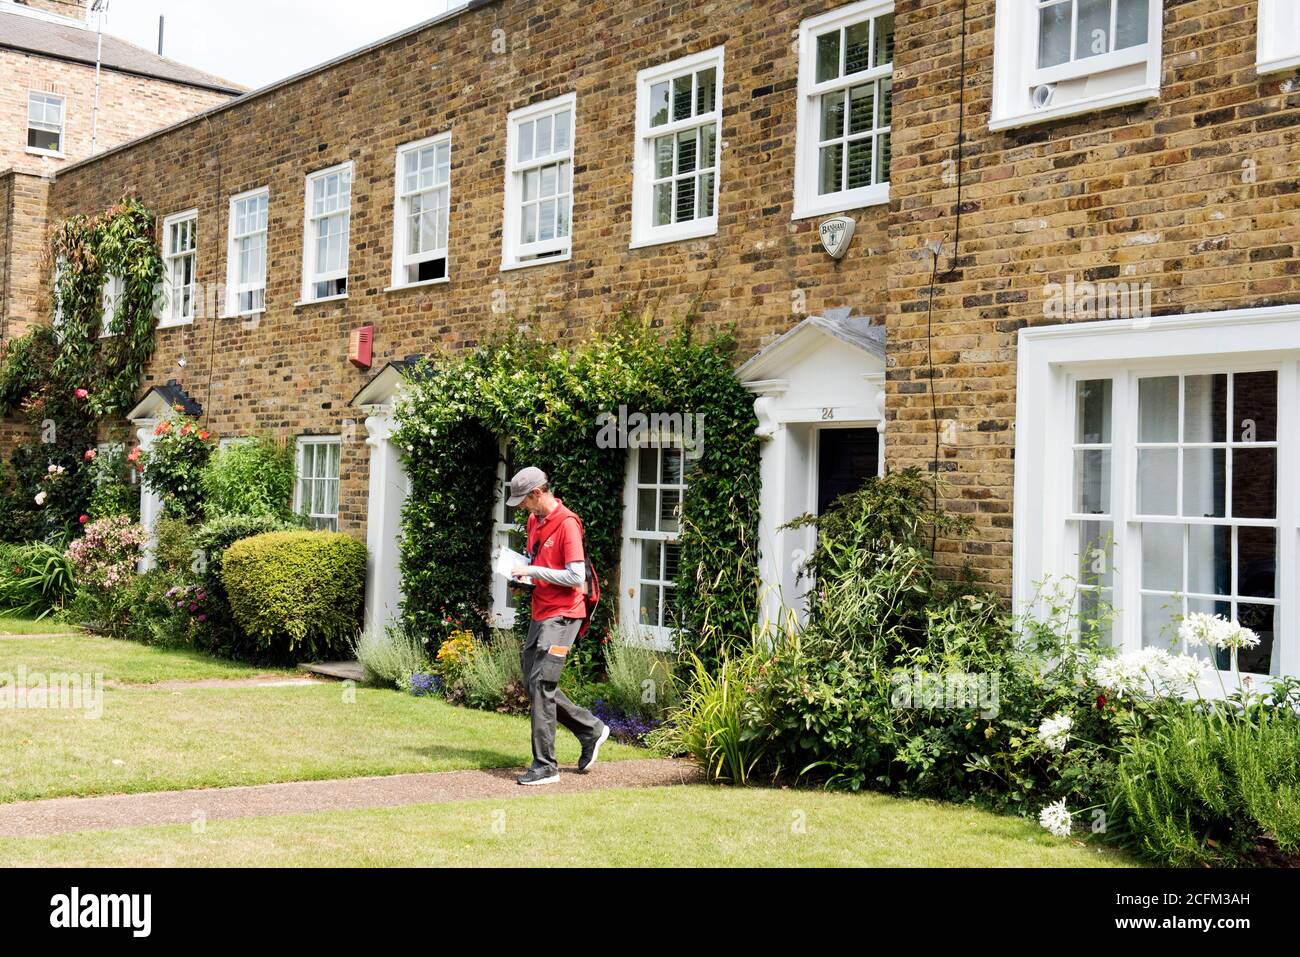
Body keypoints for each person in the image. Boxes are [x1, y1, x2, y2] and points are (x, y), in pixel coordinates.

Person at [506, 466, 609, 785]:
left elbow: (575, 576)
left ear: (538, 493)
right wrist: (522, 577)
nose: (522, 506)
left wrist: (534, 572)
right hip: (542, 610)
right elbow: (537, 565)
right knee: (532, 681)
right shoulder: (534, 521)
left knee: (542, 683)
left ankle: (545, 766)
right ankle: (590, 730)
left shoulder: (567, 524)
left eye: (524, 500)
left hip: (565, 613)